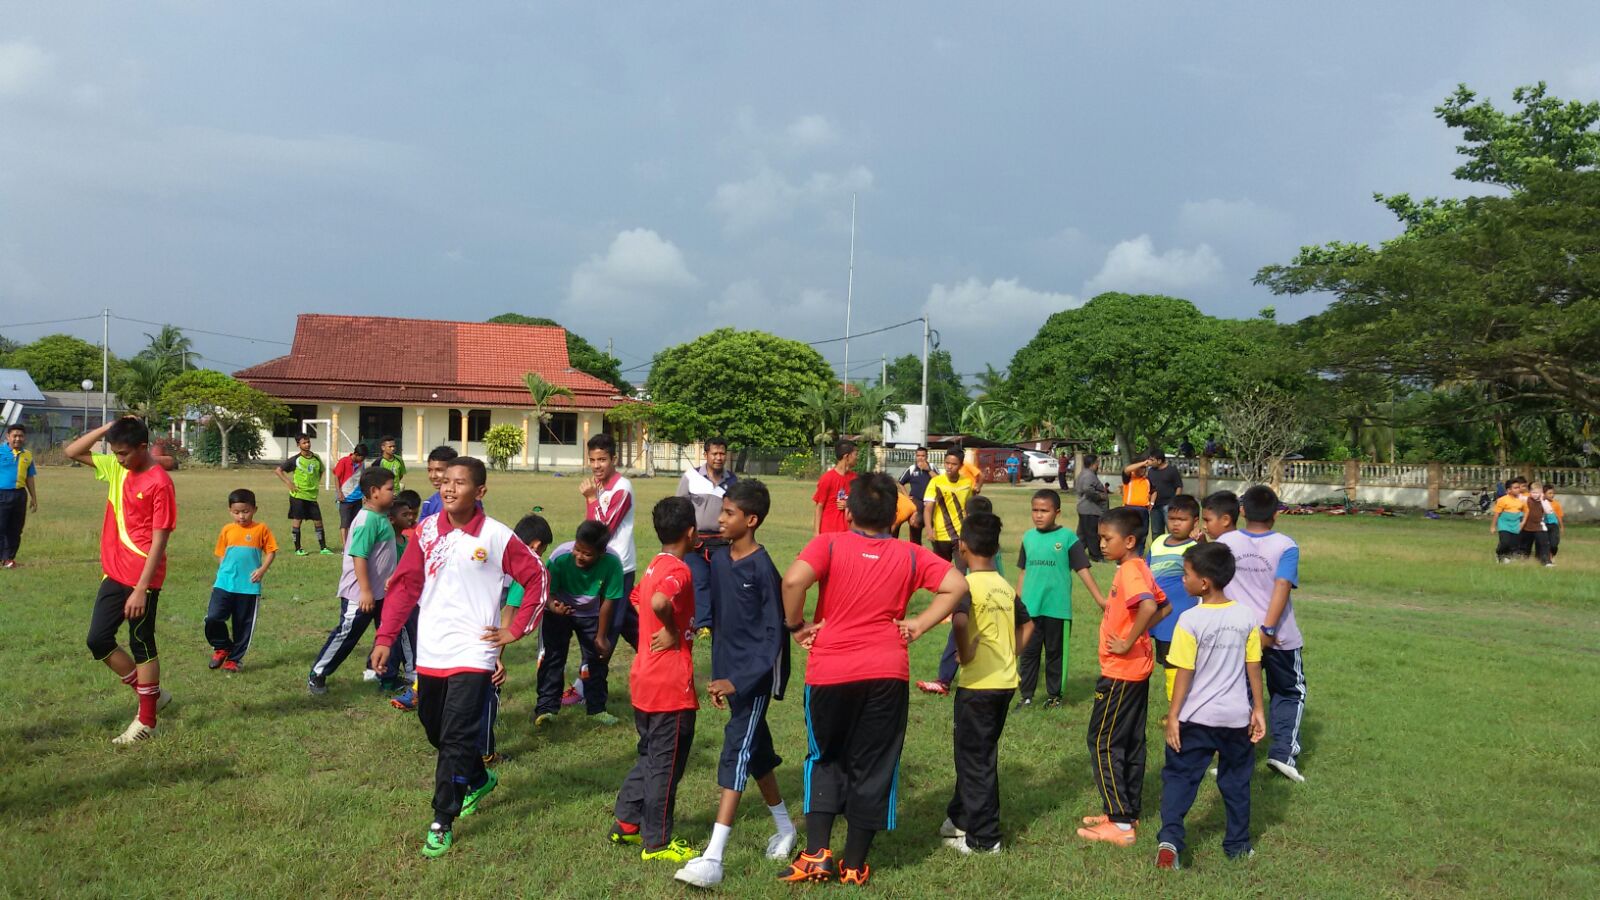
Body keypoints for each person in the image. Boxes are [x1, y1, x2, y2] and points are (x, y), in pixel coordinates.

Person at [777, 473, 968, 886]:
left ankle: (817, 854)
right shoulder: (910, 555)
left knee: (824, 757)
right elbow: (956, 584)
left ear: (848, 511)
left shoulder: (828, 543)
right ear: (892, 516)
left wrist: (796, 626)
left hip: (829, 670)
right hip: (886, 671)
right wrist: (919, 623)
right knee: (875, 764)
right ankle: (855, 865)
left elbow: (792, 580)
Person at [372, 456, 551, 858]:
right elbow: (405, 586)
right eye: (445, 482)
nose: (449, 488)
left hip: (475, 651)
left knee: (454, 735)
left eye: (460, 482)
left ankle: (441, 819)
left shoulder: (496, 536)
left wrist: (515, 628)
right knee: (434, 727)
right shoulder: (425, 533)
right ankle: (477, 775)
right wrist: (385, 637)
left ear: (480, 491)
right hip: (432, 648)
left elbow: (537, 576)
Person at [674, 480, 797, 888]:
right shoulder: (720, 559)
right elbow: (722, 622)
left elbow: (772, 637)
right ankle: (785, 828)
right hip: (728, 676)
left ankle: (713, 857)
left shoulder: (763, 569)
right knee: (756, 752)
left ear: (751, 520)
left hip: (753, 680)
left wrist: (739, 680)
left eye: (728, 513)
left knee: (736, 753)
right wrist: (718, 677)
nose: (720, 519)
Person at [64, 417, 177, 744]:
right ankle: (152, 694)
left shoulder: (159, 482)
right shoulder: (117, 468)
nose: (118, 458)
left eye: (124, 453)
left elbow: (160, 540)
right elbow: (72, 451)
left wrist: (141, 588)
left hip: (143, 576)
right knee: (98, 640)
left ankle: (147, 720)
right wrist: (108, 428)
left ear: (143, 447)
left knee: (141, 642)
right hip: (114, 573)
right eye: (114, 452)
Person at [1156, 541, 1266, 870]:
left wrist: (1173, 716)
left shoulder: (1189, 621)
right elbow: (1254, 665)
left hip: (1194, 719)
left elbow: (1183, 672)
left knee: (1179, 778)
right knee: (1235, 781)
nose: (1183, 580)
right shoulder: (1246, 616)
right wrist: (1258, 708)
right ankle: (1237, 845)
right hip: (1235, 719)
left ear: (1204, 582)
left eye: (1186, 574)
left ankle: (1170, 842)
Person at [609, 496, 701, 864]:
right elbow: (662, 601)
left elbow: (638, 597)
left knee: (649, 757)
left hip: (644, 679)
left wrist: (652, 623)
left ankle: (626, 823)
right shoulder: (679, 570)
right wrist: (672, 630)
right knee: (666, 765)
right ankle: (658, 842)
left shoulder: (653, 565)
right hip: (669, 687)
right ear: (691, 533)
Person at [940, 511, 1034, 855]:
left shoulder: (965, 585)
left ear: (962, 547)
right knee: (977, 754)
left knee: (975, 760)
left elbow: (960, 622)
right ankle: (959, 818)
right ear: (996, 549)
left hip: (978, 687)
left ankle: (985, 839)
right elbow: (1028, 625)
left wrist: (964, 655)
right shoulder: (1004, 586)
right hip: (1005, 683)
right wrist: (1011, 653)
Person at [1077, 506, 1170, 846]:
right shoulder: (1138, 567)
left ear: (1129, 540)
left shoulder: (1131, 570)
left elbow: (1149, 607)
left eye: (1107, 538)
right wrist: (1142, 636)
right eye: (1100, 537)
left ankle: (1118, 824)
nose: (1101, 544)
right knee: (1130, 741)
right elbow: (1165, 605)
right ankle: (1126, 811)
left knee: (1103, 742)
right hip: (1136, 670)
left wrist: (1129, 640)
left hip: (1120, 672)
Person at [1215, 485, 1307, 783]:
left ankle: (1233, 758)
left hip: (1236, 634)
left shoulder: (1226, 541)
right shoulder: (1286, 545)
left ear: (1242, 510)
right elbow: (1282, 585)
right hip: (1279, 637)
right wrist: (1267, 628)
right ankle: (1282, 754)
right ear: (1277, 513)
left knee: (1236, 694)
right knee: (1288, 692)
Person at [307, 467, 398, 695]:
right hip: (361, 595)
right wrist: (365, 591)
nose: (394, 492)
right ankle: (318, 673)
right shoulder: (367, 520)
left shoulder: (380, 517)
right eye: (390, 488)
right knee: (347, 635)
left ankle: (387, 676)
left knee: (390, 633)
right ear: (375, 492)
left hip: (382, 593)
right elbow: (359, 556)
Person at [1015, 488, 1105, 708]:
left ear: (1057, 512)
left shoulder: (1068, 538)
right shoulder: (1028, 538)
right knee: (1028, 655)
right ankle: (1026, 696)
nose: (1038, 515)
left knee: (1056, 654)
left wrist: (1100, 600)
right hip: (1030, 609)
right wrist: (1016, 603)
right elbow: (1024, 572)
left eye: (1044, 511)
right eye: (1035, 510)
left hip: (1057, 609)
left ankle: (1055, 696)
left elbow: (1083, 569)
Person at [533, 520, 626, 727]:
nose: (579, 556)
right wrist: (554, 606)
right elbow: (547, 590)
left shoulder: (612, 562)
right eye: (577, 549)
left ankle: (596, 708)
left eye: (587, 553)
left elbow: (609, 600)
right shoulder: (560, 557)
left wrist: (601, 636)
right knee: (553, 658)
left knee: (596, 660)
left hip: (591, 614)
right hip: (558, 610)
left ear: (601, 552)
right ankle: (547, 709)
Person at [204, 488, 278, 673]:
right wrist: (223, 572)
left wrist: (262, 570)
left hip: (248, 587)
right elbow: (221, 554)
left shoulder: (261, 529)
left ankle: (234, 660)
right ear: (230, 511)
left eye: (245, 511)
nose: (241, 516)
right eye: (236, 512)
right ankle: (221, 646)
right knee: (213, 617)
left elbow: (271, 551)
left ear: (254, 509)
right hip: (224, 584)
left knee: (242, 625)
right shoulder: (227, 530)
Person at [583, 433, 639, 650]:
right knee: (626, 621)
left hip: (619, 566)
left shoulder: (622, 488)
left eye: (602, 460)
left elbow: (602, 530)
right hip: (601, 562)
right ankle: (655, 655)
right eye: (593, 460)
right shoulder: (597, 485)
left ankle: (587, 680)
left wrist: (590, 499)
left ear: (614, 459)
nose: (597, 466)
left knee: (608, 627)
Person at [1147, 494, 1203, 704]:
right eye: (1172, 519)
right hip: (1159, 615)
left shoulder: (1194, 548)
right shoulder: (1159, 541)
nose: (1176, 524)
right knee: (1166, 660)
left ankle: (1177, 709)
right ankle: (1178, 708)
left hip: (1181, 616)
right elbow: (1146, 570)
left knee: (1177, 662)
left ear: (1194, 522)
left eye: (1182, 520)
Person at [678, 436, 735, 635]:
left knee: (721, 579)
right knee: (700, 579)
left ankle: (723, 619)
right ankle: (703, 624)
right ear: (706, 455)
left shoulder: (733, 481)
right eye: (714, 454)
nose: (718, 458)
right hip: (695, 541)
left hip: (722, 542)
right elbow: (679, 508)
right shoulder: (690, 477)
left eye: (722, 454)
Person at [275, 432, 331, 556]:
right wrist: (289, 482)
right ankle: (298, 549)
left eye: (308, 442)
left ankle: (323, 548)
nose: (307, 445)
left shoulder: (316, 458)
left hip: (311, 496)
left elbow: (321, 470)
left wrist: (316, 481)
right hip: (298, 495)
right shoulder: (296, 459)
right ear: (298, 445)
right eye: (304, 443)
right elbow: (278, 470)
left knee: (318, 521)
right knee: (297, 521)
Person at [924, 447, 976, 564]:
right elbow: (928, 509)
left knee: (961, 571)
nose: (949, 466)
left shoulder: (967, 483)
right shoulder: (936, 482)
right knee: (941, 572)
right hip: (940, 535)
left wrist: (970, 530)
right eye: (947, 463)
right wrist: (929, 529)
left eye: (954, 464)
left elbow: (969, 509)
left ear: (961, 466)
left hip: (961, 535)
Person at [0, 422, 39, 568]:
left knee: (16, 528)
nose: (17, 439)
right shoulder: (0, 452)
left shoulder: (27, 455)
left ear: (25, 438)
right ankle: (3, 558)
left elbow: (30, 477)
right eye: (14, 436)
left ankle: (9, 558)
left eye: (21, 436)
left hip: (19, 495)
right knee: (1, 528)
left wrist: (34, 497)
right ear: (8, 437)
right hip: (2, 494)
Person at [812, 440, 858, 536]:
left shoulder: (856, 479)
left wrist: (848, 504)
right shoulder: (827, 478)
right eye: (855, 454)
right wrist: (816, 533)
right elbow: (819, 506)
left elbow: (860, 503)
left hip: (848, 534)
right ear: (846, 456)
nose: (856, 457)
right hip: (829, 532)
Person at [332, 443, 370, 548]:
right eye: (362, 457)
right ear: (356, 454)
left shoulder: (361, 464)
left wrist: (365, 494)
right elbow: (336, 477)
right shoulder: (343, 461)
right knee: (345, 523)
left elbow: (362, 479)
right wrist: (339, 492)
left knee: (356, 523)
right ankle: (345, 547)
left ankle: (354, 544)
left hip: (358, 498)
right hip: (345, 498)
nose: (363, 460)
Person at [1074, 454, 1110, 563]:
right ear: (1093, 464)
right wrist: (1099, 496)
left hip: (1085, 509)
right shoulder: (1089, 475)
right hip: (1090, 509)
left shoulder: (1084, 473)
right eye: (1097, 463)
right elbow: (1087, 489)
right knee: (1092, 533)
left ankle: (1075, 553)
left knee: (1083, 535)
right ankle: (1096, 556)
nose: (1098, 465)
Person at [1120, 455, 1156, 557]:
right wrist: (1143, 463)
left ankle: (1138, 555)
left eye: (1145, 468)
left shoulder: (1147, 480)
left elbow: (1154, 491)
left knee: (1142, 533)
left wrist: (1151, 503)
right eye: (1141, 468)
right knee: (1128, 532)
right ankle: (1126, 553)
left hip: (1143, 510)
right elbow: (1126, 469)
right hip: (1130, 509)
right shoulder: (1129, 478)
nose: (1143, 470)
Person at [898, 447, 934, 545]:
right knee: (915, 523)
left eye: (923, 456)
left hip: (930, 502)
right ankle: (915, 545)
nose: (920, 458)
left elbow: (939, 480)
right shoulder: (912, 469)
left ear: (927, 456)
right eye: (918, 456)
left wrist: (928, 470)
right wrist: (906, 496)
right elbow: (900, 482)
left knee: (932, 525)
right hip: (916, 500)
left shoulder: (932, 467)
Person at [1145, 452, 1184, 540]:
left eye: (1152, 460)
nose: (1150, 462)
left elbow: (1179, 486)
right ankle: (1157, 551)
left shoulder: (1172, 470)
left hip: (1168, 505)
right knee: (1156, 532)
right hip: (1154, 506)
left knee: (1172, 530)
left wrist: (1175, 501)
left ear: (1159, 461)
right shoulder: (1151, 471)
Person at [1490, 476, 1529, 563]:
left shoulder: (1521, 501)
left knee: (1513, 544)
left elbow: (1526, 511)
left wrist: (1523, 522)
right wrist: (1493, 526)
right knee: (1505, 542)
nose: (1518, 489)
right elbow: (1497, 514)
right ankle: (1499, 553)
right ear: (1508, 490)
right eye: (1515, 488)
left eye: (1518, 487)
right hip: (1504, 524)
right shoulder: (1502, 500)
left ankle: (1506, 557)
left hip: (1515, 524)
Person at [419, 445, 459, 519]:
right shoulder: (429, 503)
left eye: (439, 470)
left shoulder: (468, 501)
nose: (433, 476)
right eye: (429, 470)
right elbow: (422, 529)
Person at [1521, 482, 1554, 567]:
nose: (1535, 495)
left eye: (1537, 493)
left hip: (1539, 527)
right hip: (1527, 527)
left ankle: (1546, 561)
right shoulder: (1525, 499)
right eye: (1533, 492)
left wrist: (1542, 500)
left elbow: (1549, 511)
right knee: (1525, 545)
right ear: (1530, 492)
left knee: (1544, 544)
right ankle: (1523, 560)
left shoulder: (1544, 501)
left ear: (1541, 493)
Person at [1544, 485, 1564, 562]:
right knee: (1545, 543)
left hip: (1554, 526)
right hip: (1545, 525)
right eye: (1549, 493)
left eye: (1553, 493)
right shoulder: (1542, 503)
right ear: (1544, 494)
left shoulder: (1556, 504)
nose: (1552, 495)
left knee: (1554, 544)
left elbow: (1559, 516)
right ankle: (1548, 558)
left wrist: (1561, 527)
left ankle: (1552, 554)